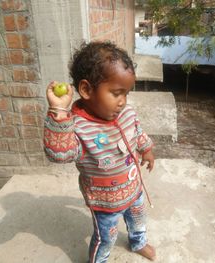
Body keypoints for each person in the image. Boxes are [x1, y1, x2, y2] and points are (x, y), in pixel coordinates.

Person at [43, 41, 156, 262]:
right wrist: (59, 112)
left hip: (134, 189)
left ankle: (138, 242)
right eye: (116, 93)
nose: (123, 101)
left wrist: (147, 149)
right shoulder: (77, 127)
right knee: (106, 238)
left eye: (127, 93)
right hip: (105, 203)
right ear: (86, 90)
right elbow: (59, 154)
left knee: (138, 219)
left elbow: (137, 130)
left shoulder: (126, 112)